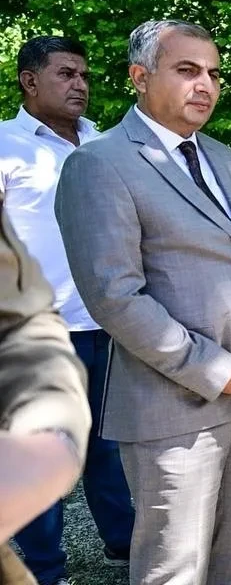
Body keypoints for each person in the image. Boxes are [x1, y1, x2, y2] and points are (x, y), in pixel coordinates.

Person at [55, 19, 231, 585]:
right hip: (174, 406)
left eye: (213, 73)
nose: (205, 84)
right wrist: (219, 371)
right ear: (140, 77)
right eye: (187, 70)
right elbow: (115, 296)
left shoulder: (226, 159)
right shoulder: (100, 164)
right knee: (176, 569)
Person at [0, 36, 134, 585]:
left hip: (109, 323)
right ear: (29, 81)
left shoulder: (103, 145)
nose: (80, 84)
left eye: (84, 74)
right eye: (65, 74)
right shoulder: (5, 146)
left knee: (109, 445)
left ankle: (125, 544)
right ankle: (44, 569)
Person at [0, 205, 91, 584]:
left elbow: (23, 321)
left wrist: (51, 435)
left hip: (90, 322)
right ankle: (48, 568)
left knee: (105, 453)